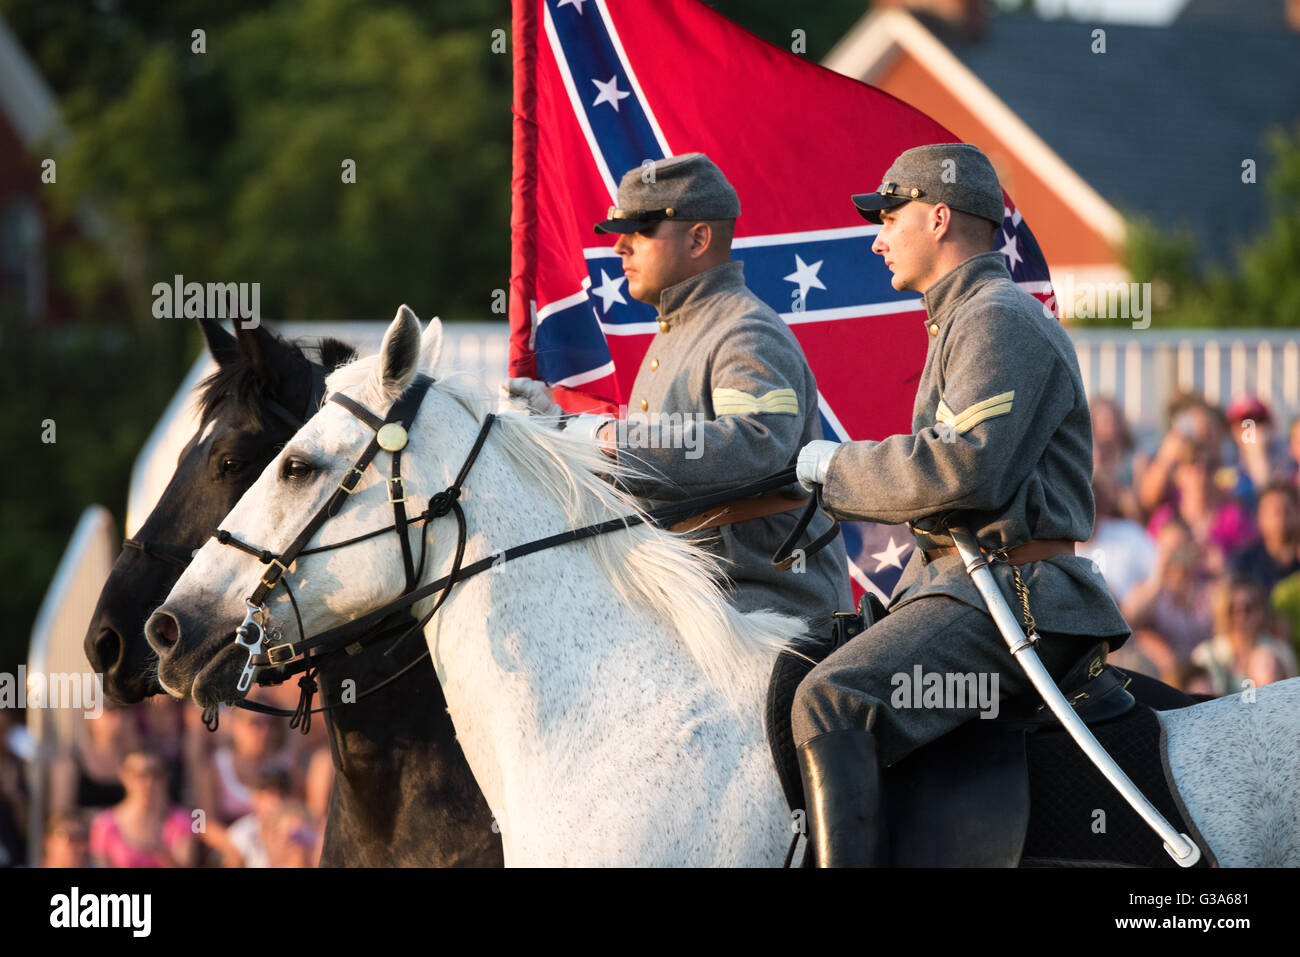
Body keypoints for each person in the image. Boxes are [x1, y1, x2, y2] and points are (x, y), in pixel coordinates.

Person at [791, 143, 1131, 866]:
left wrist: (829, 464)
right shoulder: (963, 318)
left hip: (1021, 596)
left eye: (890, 215)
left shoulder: (995, 317)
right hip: (973, 586)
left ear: (939, 216)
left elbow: (961, 469)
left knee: (830, 699)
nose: (877, 236)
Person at [505, 153, 852, 636]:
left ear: (699, 238)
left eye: (642, 230)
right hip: (698, 591)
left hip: (763, 600)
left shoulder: (744, 330)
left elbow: (756, 443)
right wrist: (557, 429)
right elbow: (663, 455)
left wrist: (604, 439)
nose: (621, 247)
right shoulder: (678, 330)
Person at [1191, 575, 1297, 696]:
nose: (1240, 617)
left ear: (1261, 612)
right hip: (1221, 714)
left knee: (1265, 661)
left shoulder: (1279, 651)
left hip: (1267, 713)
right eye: (1232, 609)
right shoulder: (1207, 654)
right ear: (1222, 612)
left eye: (1248, 608)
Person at [88, 750, 195, 868]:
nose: (148, 782)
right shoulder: (104, 824)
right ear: (124, 776)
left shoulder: (181, 820)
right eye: (139, 775)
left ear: (165, 778)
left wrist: (163, 855)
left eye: (155, 774)